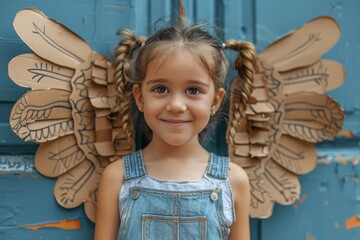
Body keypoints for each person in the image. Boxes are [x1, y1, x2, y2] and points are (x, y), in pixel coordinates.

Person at [94, 20, 256, 240]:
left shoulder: (233, 180)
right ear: (140, 98)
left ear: (216, 101)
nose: (176, 106)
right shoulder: (118, 178)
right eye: (161, 89)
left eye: (193, 90)